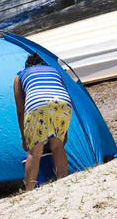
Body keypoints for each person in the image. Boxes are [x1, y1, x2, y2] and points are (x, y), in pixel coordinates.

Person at [13, 53, 73, 191]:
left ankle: (29, 189)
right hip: (63, 102)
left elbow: (20, 110)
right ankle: (63, 183)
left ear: (27, 65)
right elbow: (60, 92)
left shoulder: (20, 75)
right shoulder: (55, 71)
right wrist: (64, 133)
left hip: (37, 103)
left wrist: (24, 137)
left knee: (35, 151)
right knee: (58, 146)